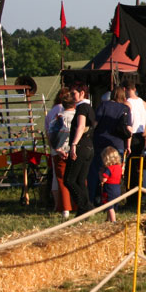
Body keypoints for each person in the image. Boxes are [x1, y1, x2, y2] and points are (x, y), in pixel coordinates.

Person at [91, 86, 132, 204]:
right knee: (115, 173)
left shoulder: (103, 105)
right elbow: (129, 130)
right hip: (117, 143)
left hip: (101, 142)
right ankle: (114, 200)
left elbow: (95, 123)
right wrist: (128, 146)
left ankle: (98, 198)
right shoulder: (125, 108)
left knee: (100, 171)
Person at [63, 82, 96, 215]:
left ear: (82, 93)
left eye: (74, 93)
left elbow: (81, 126)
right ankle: (85, 208)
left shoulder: (82, 107)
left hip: (81, 146)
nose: (71, 96)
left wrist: (73, 145)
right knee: (80, 180)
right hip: (89, 147)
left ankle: (85, 206)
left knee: (69, 180)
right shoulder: (89, 108)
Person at [48, 92, 75, 218]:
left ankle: (65, 208)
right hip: (74, 151)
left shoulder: (57, 118)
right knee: (77, 178)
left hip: (59, 152)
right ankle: (77, 204)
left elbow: (51, 135)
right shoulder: (78, 116)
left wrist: (57, 149)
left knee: (62, 180)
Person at [124, 80, 146, 157]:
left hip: (130, 136)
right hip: (142, 136)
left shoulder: (127, 104)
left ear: (124, 89)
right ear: (134, 89)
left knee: (129, 164)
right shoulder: (144, 104)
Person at [99, 146, 123, 223]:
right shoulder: (119, 167)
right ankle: (108, 219)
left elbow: (104, 179)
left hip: (109, 188)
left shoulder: (109, 169)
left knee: (109, 206)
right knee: (113, 205)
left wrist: (100, 174)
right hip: (117, 188)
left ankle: (113, 221)